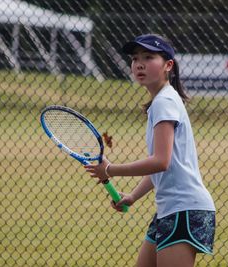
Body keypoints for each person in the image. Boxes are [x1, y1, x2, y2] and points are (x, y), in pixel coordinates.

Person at [84, 34, 216, 267]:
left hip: (184, 210)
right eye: (135, 59)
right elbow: (165, 167)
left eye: (148, 57)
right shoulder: (162, 101)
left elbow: (161, 161)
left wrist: (110, 170)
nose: (139, 64)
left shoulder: (164, 102)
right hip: (171, 210)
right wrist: (132, 196)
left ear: (168, 66)